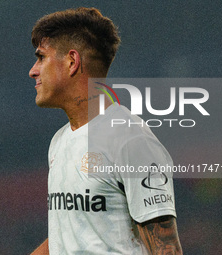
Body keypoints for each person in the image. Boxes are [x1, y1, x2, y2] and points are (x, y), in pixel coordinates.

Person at [29, 7, 182, 255]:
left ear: (71, 61)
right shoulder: (59, 141)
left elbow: (167, 248)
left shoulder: (131, 141)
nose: (33, 70)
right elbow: (70, 238)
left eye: (41, 57)